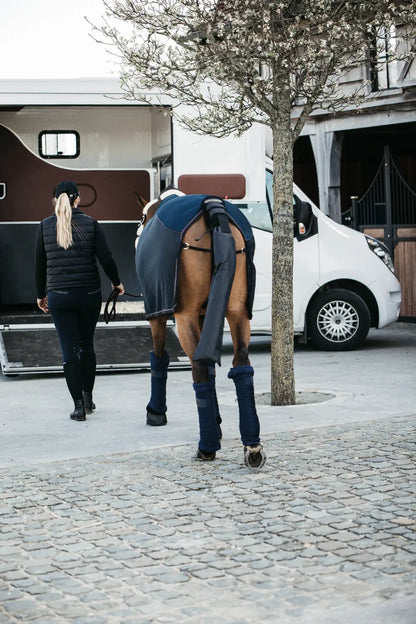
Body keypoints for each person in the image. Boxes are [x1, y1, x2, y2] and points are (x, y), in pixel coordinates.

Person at [35, 181, 124, 421]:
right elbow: (106, 258)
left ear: (55, 200)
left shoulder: (45, 226)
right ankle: (88, 397)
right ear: (78, 199)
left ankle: (77, 408)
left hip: (59, 296)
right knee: (86, 345)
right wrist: (117, 282)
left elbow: (39, 266)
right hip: (89, 295)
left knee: (69, 352)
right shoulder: (91, 224)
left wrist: (40, 295)